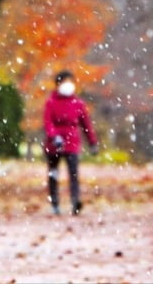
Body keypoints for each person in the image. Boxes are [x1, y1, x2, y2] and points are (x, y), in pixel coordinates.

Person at [43, 70, 98, 215]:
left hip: (72, 143)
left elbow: (86, 124)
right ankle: (54, 202)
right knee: (53, 174)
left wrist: (92, 142)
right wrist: (54, 137)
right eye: (65, 82)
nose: (68, 85)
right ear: (58, 84)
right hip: (54, 145)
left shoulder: (78, 103)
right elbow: (48, 123)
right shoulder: (51, 102)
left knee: (73, 174)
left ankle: (75, 201)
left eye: (70, 82)